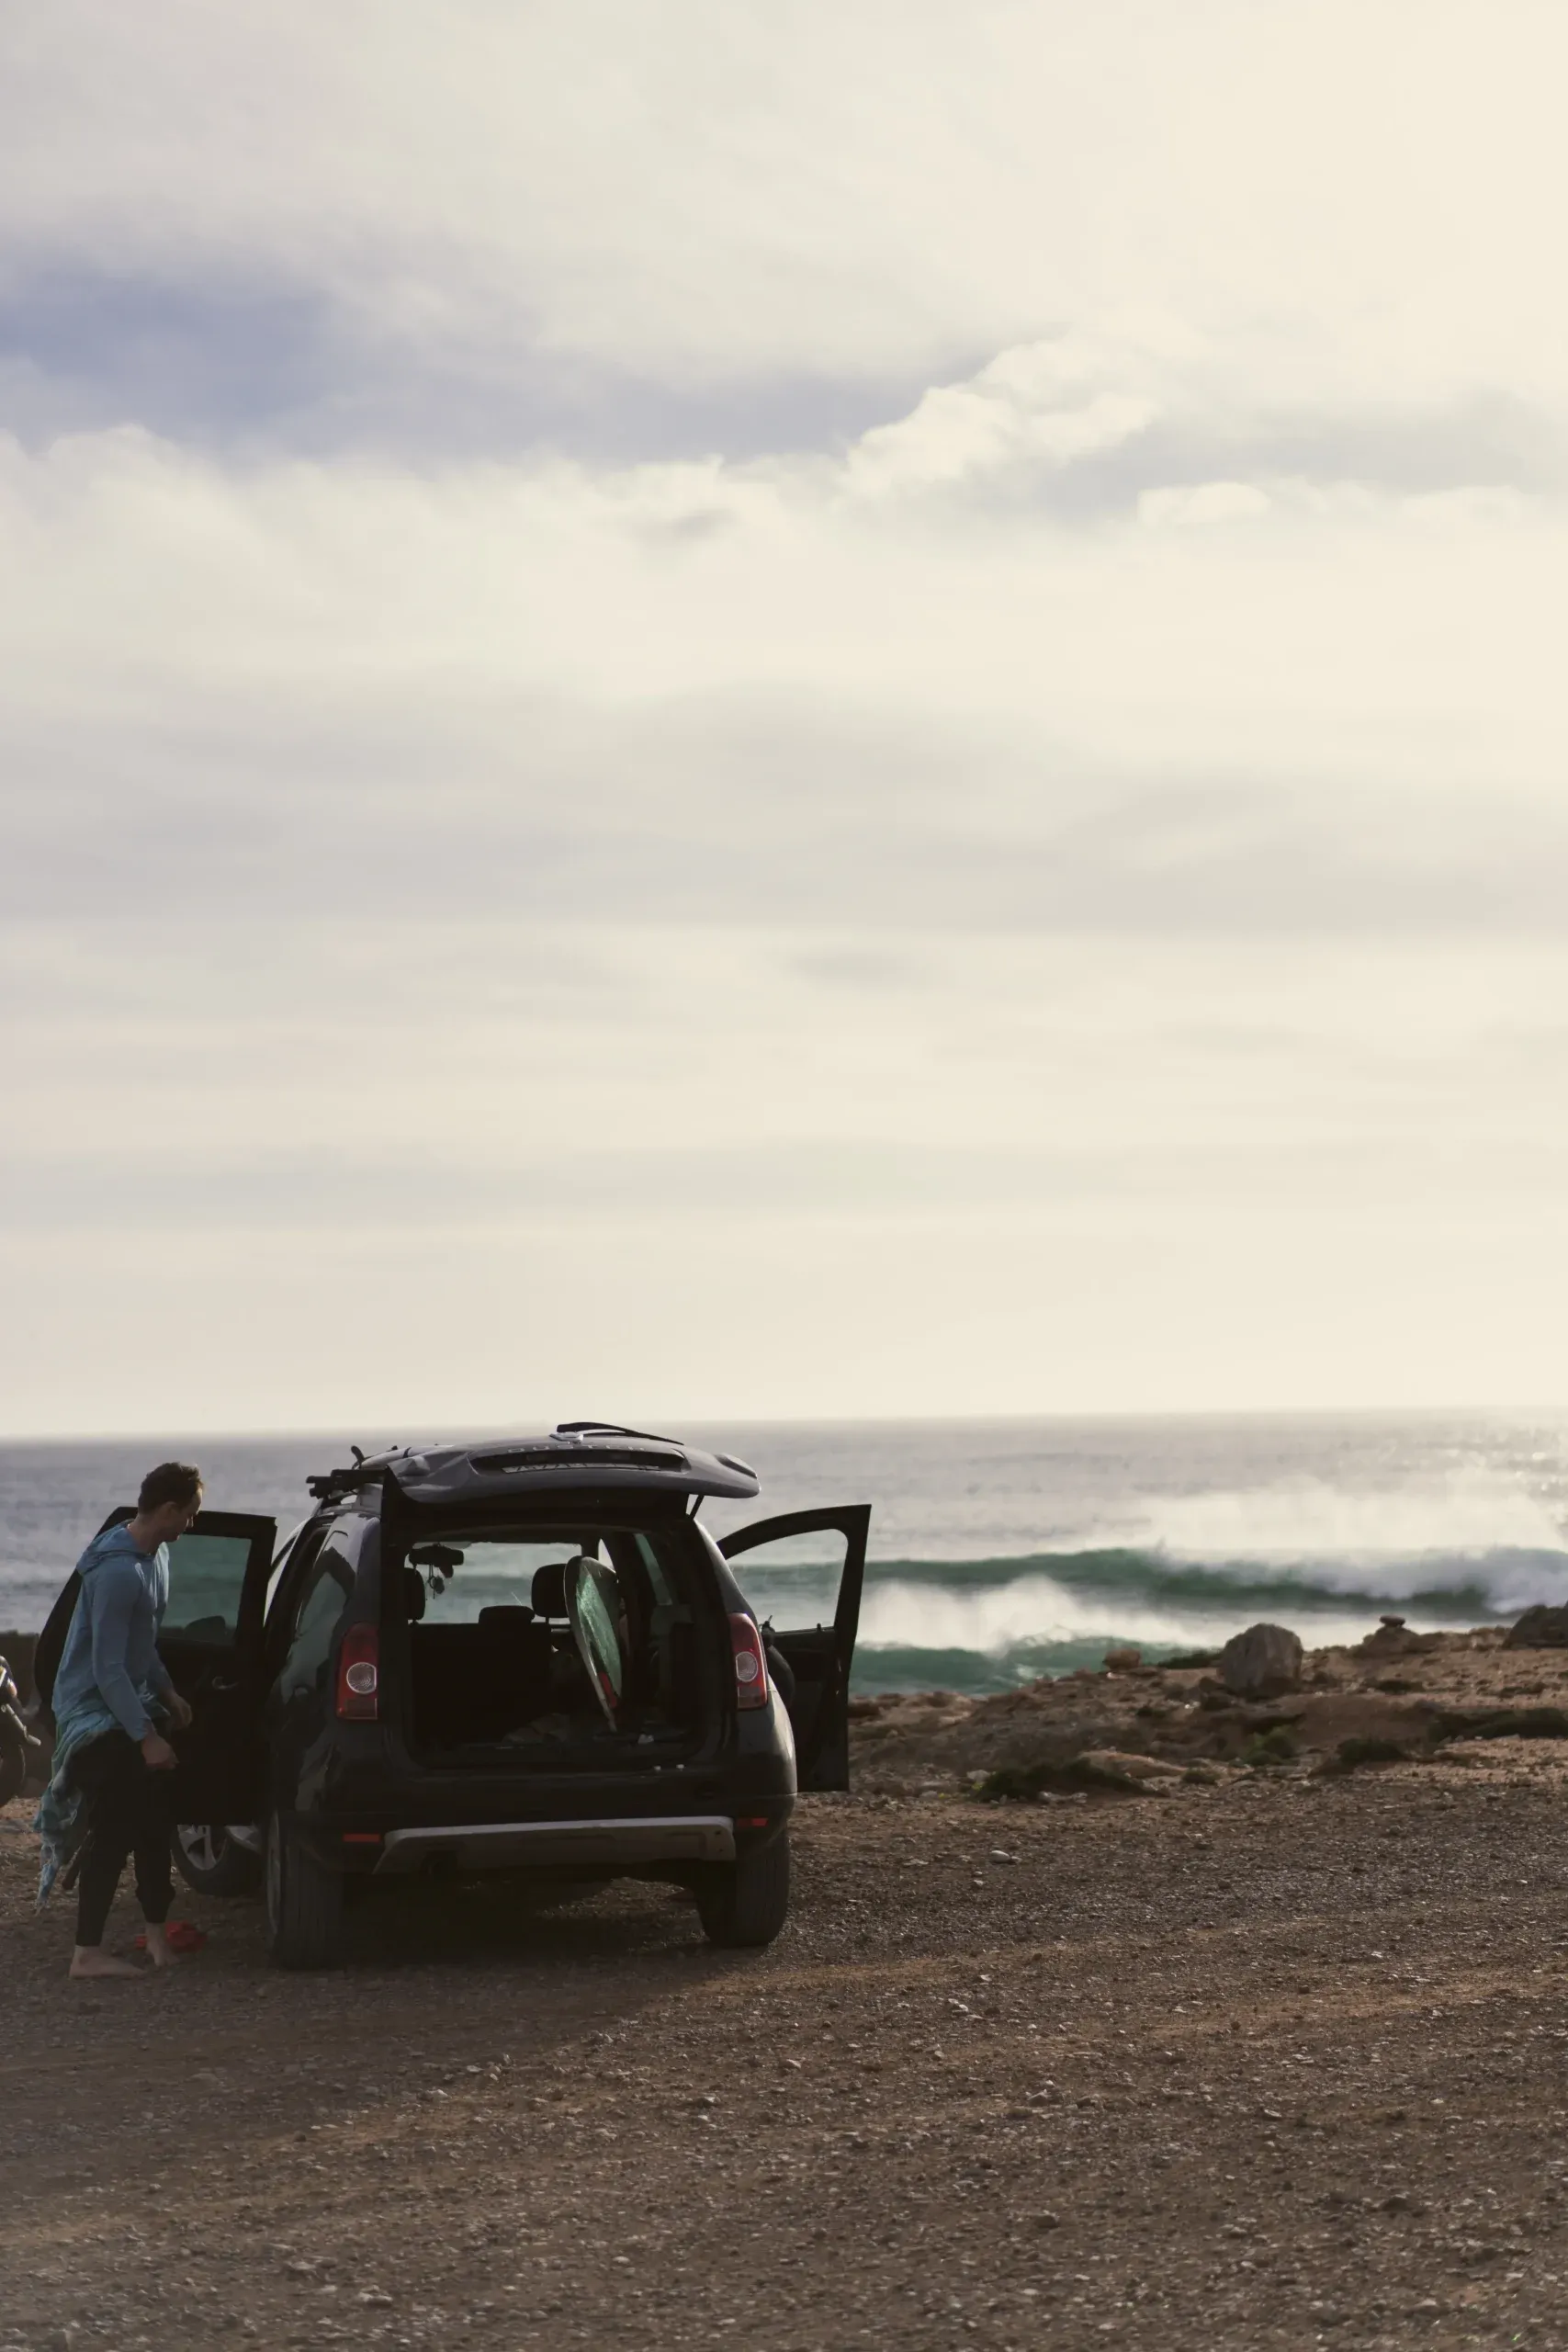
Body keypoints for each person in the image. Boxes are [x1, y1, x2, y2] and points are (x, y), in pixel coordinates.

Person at [40, 1462, 203, 1978]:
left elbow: (142, 1642)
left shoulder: (156, 1558)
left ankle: (155, 1936)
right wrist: (147, 1737)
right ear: (169, 1510)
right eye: (191, 1514)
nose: (192, 1525)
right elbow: (106, 1668)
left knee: (155, 1816)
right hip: (90, 1713)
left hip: (127, 1700)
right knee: (120, 1820)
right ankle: (86, 1953)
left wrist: (166, 1689)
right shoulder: (116, 1572)